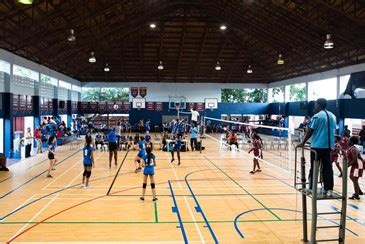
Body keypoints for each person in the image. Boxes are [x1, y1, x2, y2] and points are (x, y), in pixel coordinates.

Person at [298, 98, 336, 197]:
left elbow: (310, 131)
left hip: (317, 147)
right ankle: (329, 189)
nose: (315, 106)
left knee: (314, 168)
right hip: (328, 147)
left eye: (315, 105)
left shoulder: (317, 117)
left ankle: (311, 188)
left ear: (318, 105)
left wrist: (303, 142)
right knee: (328, 168)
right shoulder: (333, 116)